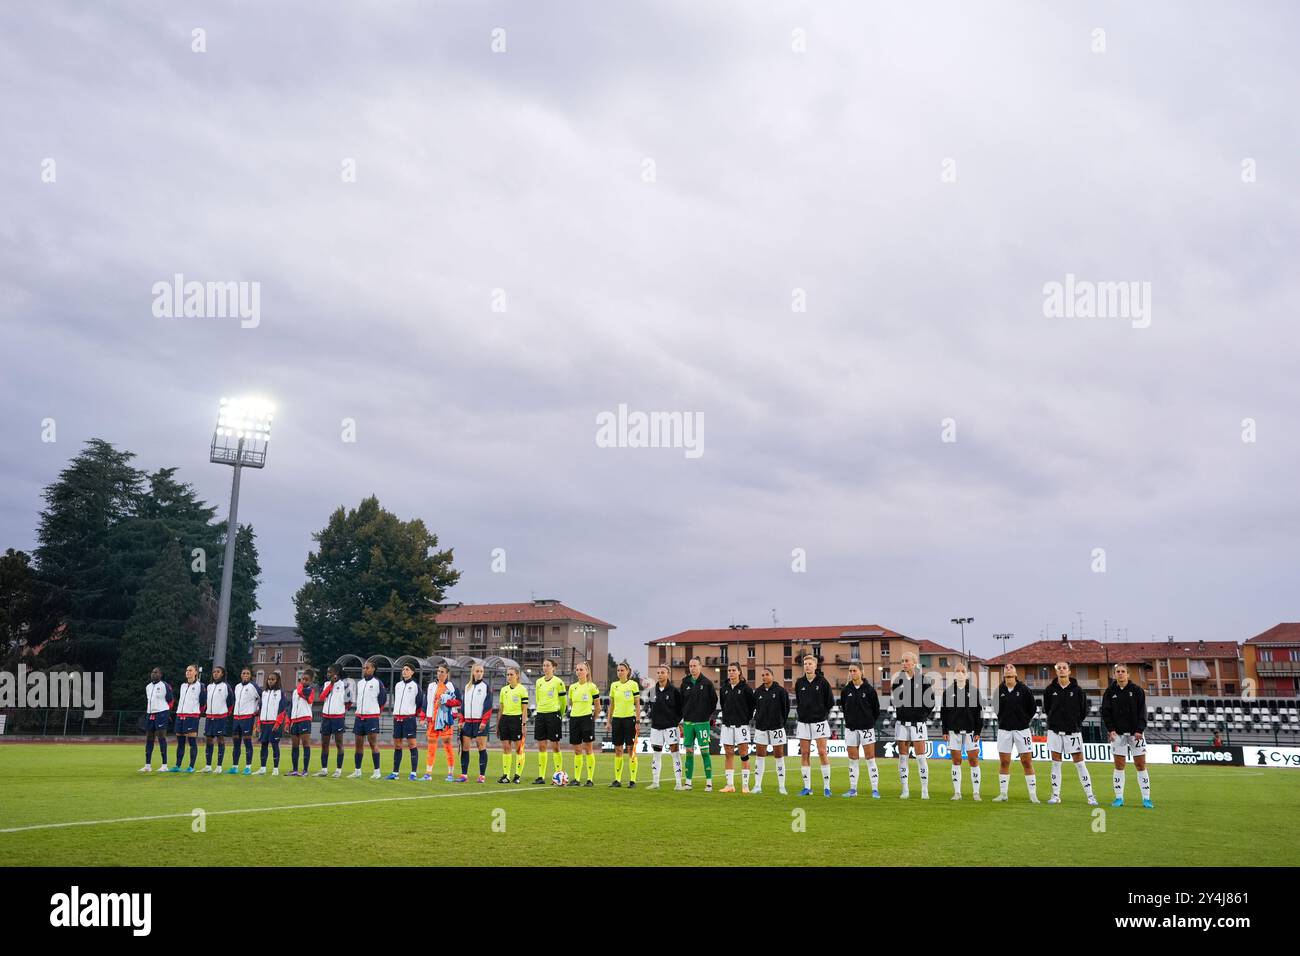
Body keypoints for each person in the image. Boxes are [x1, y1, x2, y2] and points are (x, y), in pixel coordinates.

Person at [1043, 661, 1097, 806]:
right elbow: (1047, 708)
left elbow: (1084, 709)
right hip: (1054, 731)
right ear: (1056, 671)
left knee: (1079, 763)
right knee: (1055, 763)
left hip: (1073, 732)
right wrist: (1055, 721)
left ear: (1069, 671)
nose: (1061, 670)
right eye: (1059, 668)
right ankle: (1055, 795)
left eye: (1064, 668)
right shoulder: (1049, 690)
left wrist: (1075, 723)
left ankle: (1091, 796)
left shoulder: (1078, 690)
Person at [1100, 663, 1153, 809]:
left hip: (1135, 733)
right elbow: (1106, 712)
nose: (1120, 673)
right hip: (1117, 734)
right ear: (1114, 674)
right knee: (1119, 765)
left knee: (1141, 765)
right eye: (1118, 671)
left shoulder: (1137, 690)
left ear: (1128, 674)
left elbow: (1143, 711)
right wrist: (1111, 730)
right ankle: (1118, 798)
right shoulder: (1110, 692)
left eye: (1123, 671)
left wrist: (1139, 730)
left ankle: (1146, 799)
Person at [890, 652, 933, 799]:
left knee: (921, 757)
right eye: (902, 661)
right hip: (902, 724)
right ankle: (905, 790)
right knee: (903, 758)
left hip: (918, 724)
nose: (904, 663)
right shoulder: (897, 681)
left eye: (907, 661)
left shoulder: (924, 681)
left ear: (914, 663)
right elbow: (896, 701)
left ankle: (924, 790)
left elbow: (930, 703)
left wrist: (920, 716)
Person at [994, 664, 1039, 803]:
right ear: (1004, 675)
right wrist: (1003, 720)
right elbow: (996, 708)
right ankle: (1003, 794)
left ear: (1015, 674)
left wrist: (1023, 720)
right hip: (1004, 730)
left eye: (1011, 668)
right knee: (1004, 762)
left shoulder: (1024, 690)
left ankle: (1033, 795)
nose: (1008, 669)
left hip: (1022, 730)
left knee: (1026, 761)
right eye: (1006, 669)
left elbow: (1032, 709)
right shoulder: (999, 690)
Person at [940, 660, 983, 801]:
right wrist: (944, 731)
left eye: (962, 671)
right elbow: (944, 712)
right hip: (953, 731)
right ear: (953, 675)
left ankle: (976, 792)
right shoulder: (948, 692)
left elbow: (979, 713)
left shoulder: (974, 692)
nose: (960, 673)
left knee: (973, 760)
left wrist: (978, 731)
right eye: (957, 671)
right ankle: (957, 793)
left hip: (971, 732)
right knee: (956, 760)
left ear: (967, 675)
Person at [794, 654, 835, 797]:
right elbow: (799, 701)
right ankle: (807, 788)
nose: (807, 666)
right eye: (805, 663)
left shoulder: (823, 682)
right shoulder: (799, 683)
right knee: (805, 753)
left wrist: (820, 713)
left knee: (822, 752)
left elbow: (830, 702)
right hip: (803, 723)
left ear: (815, 666)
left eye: (810, 663)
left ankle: (827, 788)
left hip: (819, 722)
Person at [840, 662, 881, 798]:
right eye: (850, 671)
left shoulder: (870, 690)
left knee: (870, 759)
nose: (852, 673)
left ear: (861, 672)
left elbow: (876, 710)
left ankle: (875, 789)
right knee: (852, 759)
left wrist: (868, 722)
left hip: (866, 729)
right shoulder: (846, 690)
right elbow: (845, 709)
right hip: (851, 729)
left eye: (855, 670)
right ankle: (853, 789)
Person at [678, 657, 718, 791]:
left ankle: (709, 783)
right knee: (689, 752)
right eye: (690, 666)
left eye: (695, 666)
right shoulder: (685, 683)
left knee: (705, 752)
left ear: (700, 667)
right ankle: (688, 783)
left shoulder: (707, 683)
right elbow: (681, 701)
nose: (692, 668)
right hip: (688, 722)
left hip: (702, 722)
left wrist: (705, 714)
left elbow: (714, 701)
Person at [751, 667, 791, 794]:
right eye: (762, 675)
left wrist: (779, 722)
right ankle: (757, 786)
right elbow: (755, 708)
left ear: (772, 676)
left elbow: (786, 709)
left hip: (777, 728)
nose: (764, 677)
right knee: (759, 756)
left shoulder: (781, 691)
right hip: (761, 728)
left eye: (767, 674)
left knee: (779, 756)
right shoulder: (757, 692)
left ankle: (781, 787)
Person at [718, 662, 756, 793]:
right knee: (728, 754)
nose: (731, 672)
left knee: (744, 754)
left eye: (733, 670)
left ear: (739, 672)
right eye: (729, 670)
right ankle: (730, 785)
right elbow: (723, 705)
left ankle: (745, 785)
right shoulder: (724, 689)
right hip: (727, 726)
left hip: (742, 726)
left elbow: (752, 706)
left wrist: (745, 719)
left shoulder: (746, 688)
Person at [646, 665, 684, 790]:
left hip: (671, 727)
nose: (660, 674)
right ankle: (655, 782)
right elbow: (650, 708)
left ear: (668, 674)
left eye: (662, 672)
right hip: (656, 727)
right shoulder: (652, 692)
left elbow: (680, 709)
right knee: (656, 754)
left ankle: (678, 783)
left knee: (675, 754)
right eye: (658, 672)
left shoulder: (674, 691)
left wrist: (676, 723)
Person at [349, 660, 388, 779]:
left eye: (367, 668)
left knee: (373, 744)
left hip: (371, 717)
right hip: (359, 717)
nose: (365, 669)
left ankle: (377, 771)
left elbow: (383, 699)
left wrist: (375, 711)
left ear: (373, 669)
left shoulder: (377, 683)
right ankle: (357, 771)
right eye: (364, 668)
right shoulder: (360, 683)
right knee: (358, 744)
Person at [565, 661, 601, 787]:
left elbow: (598, 706)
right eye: (577, 669)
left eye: (581, 669)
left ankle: (590, 779)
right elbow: (571, 704)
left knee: (588, 749)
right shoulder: (572, 687)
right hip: (574, 719)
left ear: (587, 672)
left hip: (587, 719)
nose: (579, 672)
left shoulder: (592, 686)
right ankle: (576, 779)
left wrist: (593, 719)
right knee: (577, 750)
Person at [387, 664, 426, 781]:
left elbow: (420, 703)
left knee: (412, 744)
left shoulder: (415, 686)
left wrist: (413, 714)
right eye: (403, 669)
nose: (404, 671)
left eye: (407, 669)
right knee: (397, 745)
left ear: (412, 672)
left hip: (409, 719)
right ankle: (395, 773)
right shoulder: (398, 685)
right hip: (397, 718)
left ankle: (413, 773)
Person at [531, 658, 566, 784]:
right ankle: (541, 777)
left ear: (553, 668)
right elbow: (538, 699)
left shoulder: (558, 682)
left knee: (555, 745)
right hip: (541, 715)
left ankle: (559, 776)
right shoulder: (538, 682)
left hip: (553, 715)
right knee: (541, 746)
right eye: (544, 665)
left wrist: (559, 714)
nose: (545, 667)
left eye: (548, 665)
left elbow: (563, 702)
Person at [457, 662, 493, 783]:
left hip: (480, 722)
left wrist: (484, 721)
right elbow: (463, 706)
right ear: (473, 672)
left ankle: (482, 776)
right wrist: (461, 720)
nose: (479, 673)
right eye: (477, 671)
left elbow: (488, 706)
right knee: (465, 748)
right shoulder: (467, 687)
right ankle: (464, 775)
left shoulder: (485, 687)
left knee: (481, 747)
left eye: (481, 671)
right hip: (468, 722)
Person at [422, 664, 460, 781]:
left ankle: (450, 773)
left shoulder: (451, 686)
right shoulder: (431, 686)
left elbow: (458, 701)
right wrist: (424, 717)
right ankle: (428, 774)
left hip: (445, 721)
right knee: (431, 746)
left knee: (447, 746)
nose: (439, 673)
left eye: (442, 672)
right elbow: (426, 702)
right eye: (438, 671)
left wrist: (447, 704)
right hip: (433, 720)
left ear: (447, 674)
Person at [606, 661, 641, 788]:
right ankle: (617, 780)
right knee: (618, 749)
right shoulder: (614, 685)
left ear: (627, 671)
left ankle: (632, 780)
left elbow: (637, 704)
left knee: (631, 749)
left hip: (629, 720)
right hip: (617, 720)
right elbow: (612, 705)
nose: (620, 672)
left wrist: (637, 721)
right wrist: (608, 721)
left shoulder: (633, 685)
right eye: (618, 670)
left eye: (622, 670)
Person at [315, 665, 350, 778]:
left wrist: (342, 711)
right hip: (326, 717)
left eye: (330, 672)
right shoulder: (326, 684)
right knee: (324, 744)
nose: (328, 674)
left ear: (336, 673)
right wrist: (331, 684)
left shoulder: (344, 685)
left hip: (338, 718)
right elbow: (321, 697)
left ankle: (338, 770)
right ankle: (324, 770)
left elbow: (349, 702)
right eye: (327, 672)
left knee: (339, 744)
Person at [496, 666, 529, 784]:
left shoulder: (522, 690)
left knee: (519, 748)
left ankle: (517, 775)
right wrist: (498, 724)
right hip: (505, 719)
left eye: (511, 674)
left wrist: (523, 724)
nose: (509, 676)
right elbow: (501, 708)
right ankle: (506, 775)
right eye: (508, 674)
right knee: (506, 747)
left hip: (517, 719)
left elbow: (525, 709)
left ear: (517, 676)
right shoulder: (503, 690)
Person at [170, 664, 205, 773]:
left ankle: (191, 766)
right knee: (180, 742)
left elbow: (203, 702)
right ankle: (177, 765)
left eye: (190, 670)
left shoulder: (200, 685)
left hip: (192, 716)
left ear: (196, 672)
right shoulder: (183, 685)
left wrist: (197, 712)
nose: (188, 672)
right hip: (180, 715)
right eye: (187, 670)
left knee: (192, 741)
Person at [139, 667, 173, 772]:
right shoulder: (148, 687)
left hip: (161, 713)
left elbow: (170, 700)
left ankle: (164, 765)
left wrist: (166, 713)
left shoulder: (165, 685)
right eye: (152, 672)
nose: (153, 674)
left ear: (160, 674)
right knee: (149, 738)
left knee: (161, 737)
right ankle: (147, 765)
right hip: (150, 714)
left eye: (156, 672)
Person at [200, 665, 232, 774]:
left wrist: (226, 713)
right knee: (208, 740)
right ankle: (208, 766)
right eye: (214, 672)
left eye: (218, 672)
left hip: (221, 717)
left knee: (220, 740)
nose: (216, 673)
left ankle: (219, 766)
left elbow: (231, 701)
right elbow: (205, 701)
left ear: (222, 674)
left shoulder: (225, 686)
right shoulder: (209, 686)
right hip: (210, 717)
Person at [227, 667, 260, 775]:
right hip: (236, 717)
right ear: (241, 675)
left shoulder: (253, 686)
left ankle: (248, 767)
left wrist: (256, 710)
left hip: (247, 717)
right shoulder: (237, 686)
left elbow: (262, 697)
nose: (245, 675)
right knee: (236, 742)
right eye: (243, 673)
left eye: (247, 673)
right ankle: (235, 766)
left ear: (250, 676)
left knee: (247, 742)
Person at [254, 671, 288, 775]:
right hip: (264, 723)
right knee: (263, 745)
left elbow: (282, 710)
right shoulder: (264, 693)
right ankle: (262, 768)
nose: (270, 681)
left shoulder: (280, 693)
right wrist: (258, 723)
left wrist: (278, 724)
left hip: (274, 724)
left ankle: (275, 769)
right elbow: (260, 709)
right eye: (269, 679)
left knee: (274, 745)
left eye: (273, 679)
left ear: (277, 681)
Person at [286, 668, 316, 777]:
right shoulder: (295, 692)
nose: (303, 681)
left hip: (305, 719)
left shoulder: (310, 690)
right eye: (302, 679)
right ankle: (294, 769)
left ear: (311, 681)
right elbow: (291, 707)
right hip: (295, 720)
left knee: (305, 744)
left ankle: (305, 770)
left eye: (306, 680)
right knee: (294, 745)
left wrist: (300, 688)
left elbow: (308, 698)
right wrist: (288, 721)